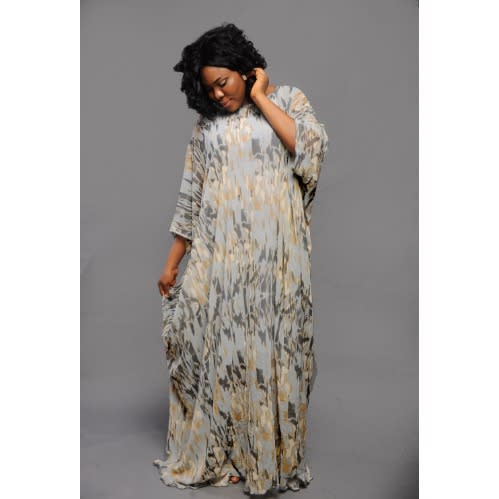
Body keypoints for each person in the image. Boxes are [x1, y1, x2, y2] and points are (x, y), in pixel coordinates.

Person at [153, 22, 329, 496]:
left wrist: (261, 96)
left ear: (242, 69)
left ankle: (266, 457)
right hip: (221, 263)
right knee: (221, 353)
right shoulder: (207, 127)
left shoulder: (288, 100)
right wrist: (172, 263)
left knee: (276, 353)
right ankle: (227, 452)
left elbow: (309, 148)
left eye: (223, 82)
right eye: (209, 88)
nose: (217, 94)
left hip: (276, 265)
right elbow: (191, 196)